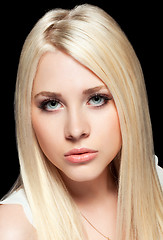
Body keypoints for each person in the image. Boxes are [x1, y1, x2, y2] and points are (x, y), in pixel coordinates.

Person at [0, 4, 162, 240]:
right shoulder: (13, 229)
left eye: (97, 99)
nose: (76, 130)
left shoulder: (159, 191)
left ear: (129, 101)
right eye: (52, 104)